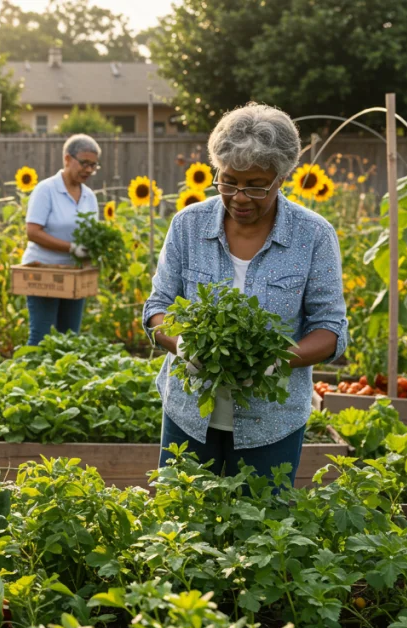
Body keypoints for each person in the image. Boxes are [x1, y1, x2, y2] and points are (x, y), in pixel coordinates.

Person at [142, 102, 347, 483]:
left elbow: (330, 329)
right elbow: (158, 307)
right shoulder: (188, 225)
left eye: (256, 186)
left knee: (263, 532)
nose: (239, 196)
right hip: (188, 413)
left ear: (281, 177)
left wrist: (275, 360)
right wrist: (183, 343)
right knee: (181, 523)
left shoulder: (313, 235)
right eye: (229, 181)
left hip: (272, 421)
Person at [21, 135, 102, 345]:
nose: (88, 170)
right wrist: (72, 248)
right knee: (41, 336)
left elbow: (92, 234)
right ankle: (28, 377)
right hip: (44, 270)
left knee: (70, 336)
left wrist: (93, 255)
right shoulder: (46, 190)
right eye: (84, 163)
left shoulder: (89, 196)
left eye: (93, 165)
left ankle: (62, 378)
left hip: (75, 273)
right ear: (67, 159)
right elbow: (33, 232)